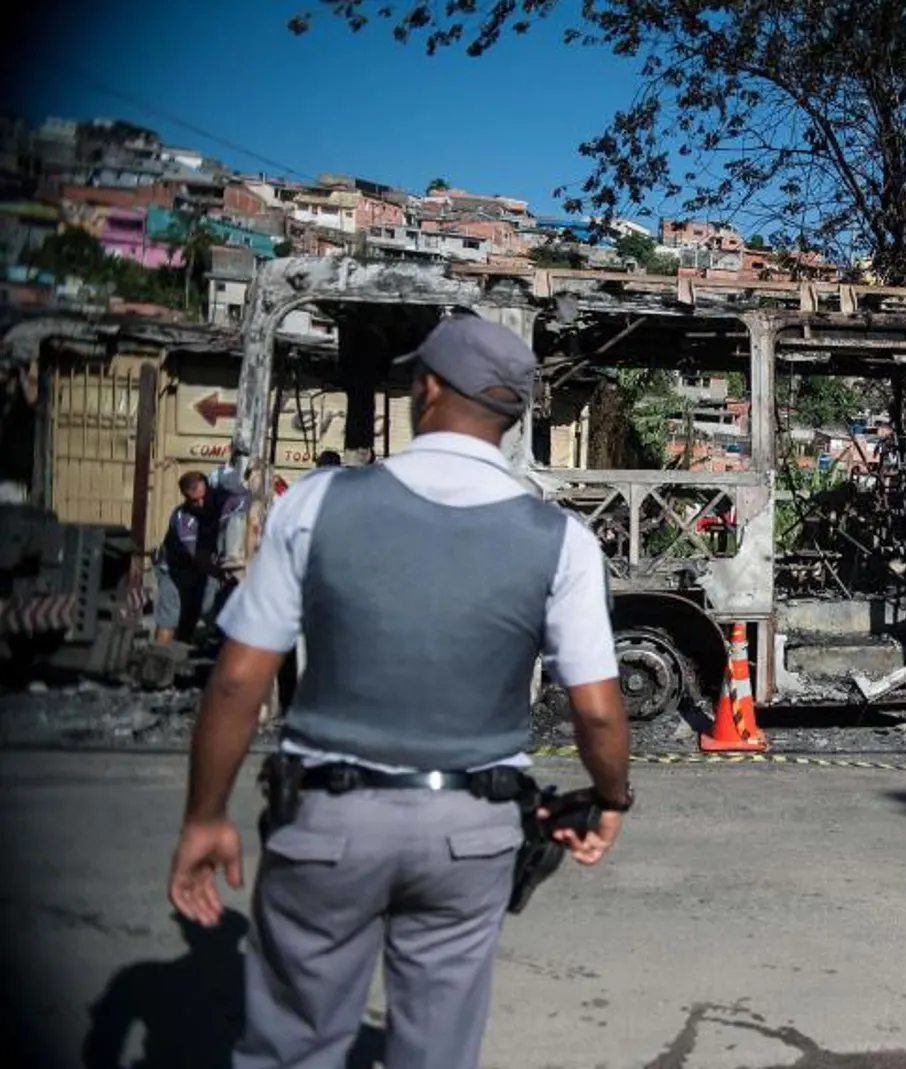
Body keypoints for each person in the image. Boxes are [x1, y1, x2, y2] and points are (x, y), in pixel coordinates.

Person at [165, 313, 632, 1069]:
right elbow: (598, 709)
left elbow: (238, 682)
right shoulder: (562, 540)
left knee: (293, 1046)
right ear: (513, 413)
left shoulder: (318, 502)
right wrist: (611, 799)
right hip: (472, 831)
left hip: (326, 820)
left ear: (429, 388)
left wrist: (204, 815)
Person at [154, 467, 250, 646]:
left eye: (202, 497)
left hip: (202, 570)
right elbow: (200, 558)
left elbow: (243, 495)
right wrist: (225, 574)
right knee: (171, 616)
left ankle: (182, 650)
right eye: (194, 501)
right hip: (174, 570)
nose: (200, 503)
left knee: (200, 611)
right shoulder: (183, 519)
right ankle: (158, 658)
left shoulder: (221, 502)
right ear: (185, 498)